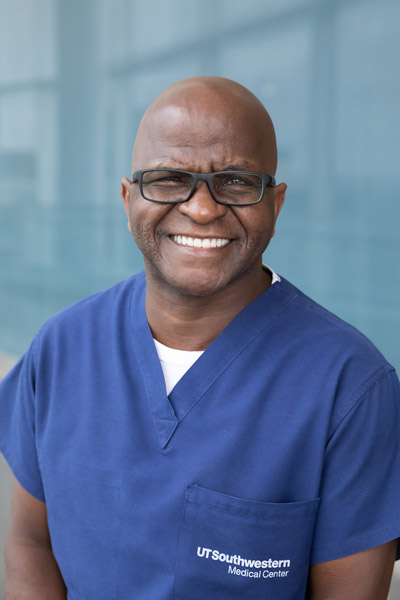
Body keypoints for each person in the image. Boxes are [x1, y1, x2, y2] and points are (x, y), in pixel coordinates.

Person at [1, 76, 400, 600]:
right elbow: (30, 542)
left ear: (275, 205)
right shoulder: (60, 348)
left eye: (236, 182)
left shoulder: (350, 389)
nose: (203, 208)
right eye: (168, 179)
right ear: (128, 199)